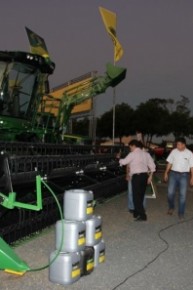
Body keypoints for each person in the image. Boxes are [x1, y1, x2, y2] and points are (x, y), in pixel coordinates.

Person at [119, 139, 156, 221]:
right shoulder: (146, 154)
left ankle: (142, 216)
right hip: (144, 176)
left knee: (136, 197)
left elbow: (124, 162)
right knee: (141, 195)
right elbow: (152, 166)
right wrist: (150, 176)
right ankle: (136, 213)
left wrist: (119, 159)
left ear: (134, 146)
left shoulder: (132, 154)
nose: (130, 149)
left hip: (137, 177)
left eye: (130, 147)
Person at [163, 137, 193, 219]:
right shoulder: (174, 151)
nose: (178, 146)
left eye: (179, 145)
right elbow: (169, 163)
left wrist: (192, 178)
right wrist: (166, 173)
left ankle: (181, 213)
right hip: (173, 174)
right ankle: (171, 207)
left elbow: (191, 167)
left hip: (184, 175)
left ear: (184, 145)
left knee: (182, 195)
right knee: (170, 193)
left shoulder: (189, 153)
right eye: (177, 144)